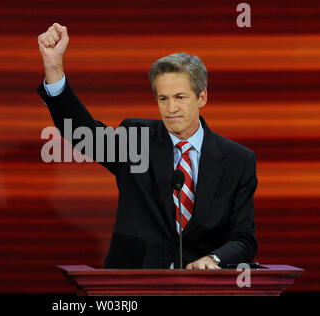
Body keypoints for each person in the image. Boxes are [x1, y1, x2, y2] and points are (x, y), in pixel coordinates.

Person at [36, 23, 258, 269]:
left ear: (202, 97)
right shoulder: (137, 140)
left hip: (201, 288)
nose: (171, 108)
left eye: (180, 97)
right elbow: (84, 135)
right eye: (163, 99)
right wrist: (54, 68)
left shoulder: (237, 160)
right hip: (135, 285)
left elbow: (243, 239)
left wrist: (213, 259)